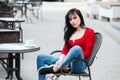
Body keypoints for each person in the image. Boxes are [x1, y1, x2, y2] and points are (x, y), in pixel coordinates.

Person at [37, 8, 95, 80]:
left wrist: (68, 61)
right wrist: (61, 60)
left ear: (80, 17)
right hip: (66, 62)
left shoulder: (89, 32)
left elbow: (88, 53)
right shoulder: (69, 32)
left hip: (79, 64)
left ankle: (56, 68)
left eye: (75, 18)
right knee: (40, 57)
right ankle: (60, 65)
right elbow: (64, 50)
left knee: (76, 48)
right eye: (70, 20)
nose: (73, 21)